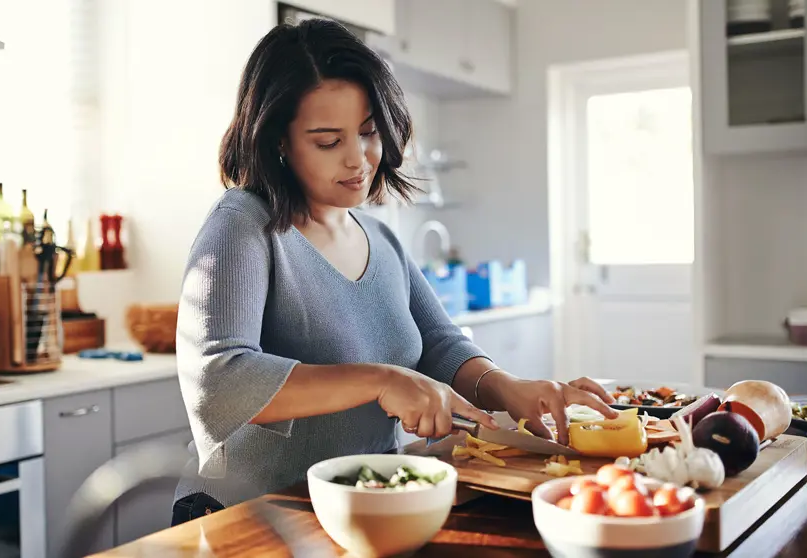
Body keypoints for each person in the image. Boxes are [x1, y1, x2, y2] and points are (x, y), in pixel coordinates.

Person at [172, 18, 616, 525]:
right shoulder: (242, 225)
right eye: (326, 141)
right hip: (248, 515)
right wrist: (381, 380)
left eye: (368, 132)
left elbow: (441, 347)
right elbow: (217, 379)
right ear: (278, 140)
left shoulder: (378, 238)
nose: (359, 159)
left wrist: (508, 389)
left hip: (358, 509)